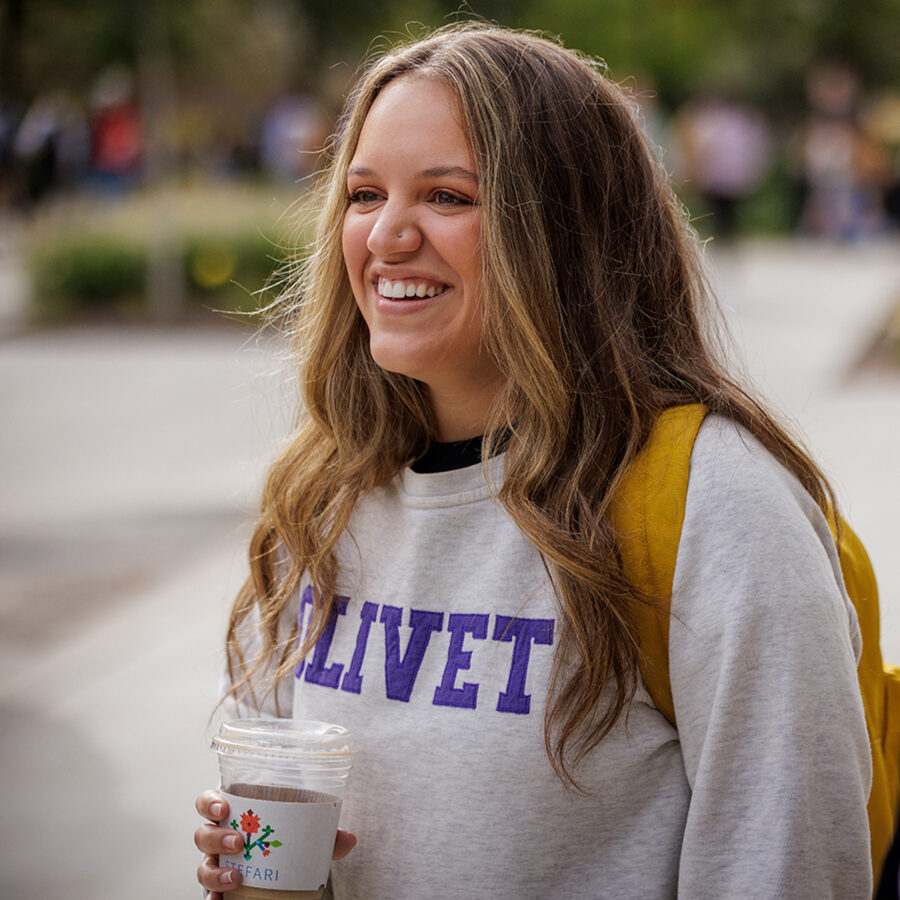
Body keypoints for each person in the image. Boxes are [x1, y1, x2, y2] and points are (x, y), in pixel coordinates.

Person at [194, 23, 872, 899]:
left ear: (566, 232)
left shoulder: (719, 508)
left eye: (446, 197)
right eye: (364, 194)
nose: (387, 237)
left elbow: (787, 869)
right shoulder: (316, 500)